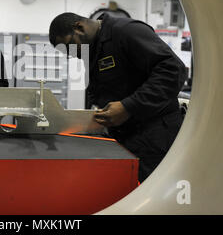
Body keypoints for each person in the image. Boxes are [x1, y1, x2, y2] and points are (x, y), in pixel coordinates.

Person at [49, 12, 187, 182]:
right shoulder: (93, 47)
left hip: (156, 138)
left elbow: (173, 70)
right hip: (128, 137)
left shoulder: (126, 31)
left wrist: (128, 107)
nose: (73, 54)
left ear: (79, 27)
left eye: (70, 46)